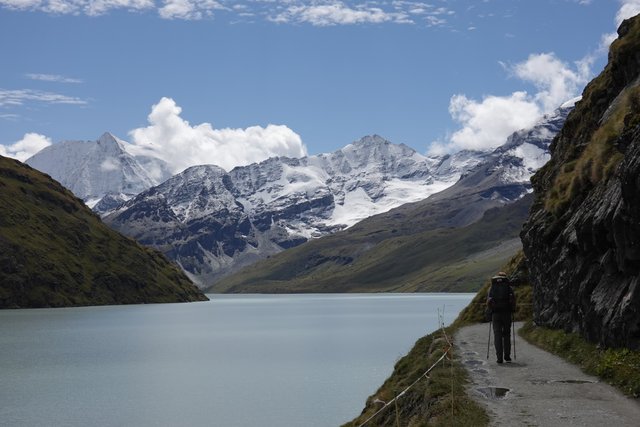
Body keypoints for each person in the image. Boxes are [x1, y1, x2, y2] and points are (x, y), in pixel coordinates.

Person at [486, 272, 516, 364]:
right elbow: (513, 301)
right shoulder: (509, 288)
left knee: (497, 335)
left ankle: (499, 358)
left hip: (496, 314)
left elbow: (488, 302)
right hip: (506, 314)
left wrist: (489, 313)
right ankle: (507, 357)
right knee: (506, 335)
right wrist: (513, 310)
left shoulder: (492, 288)